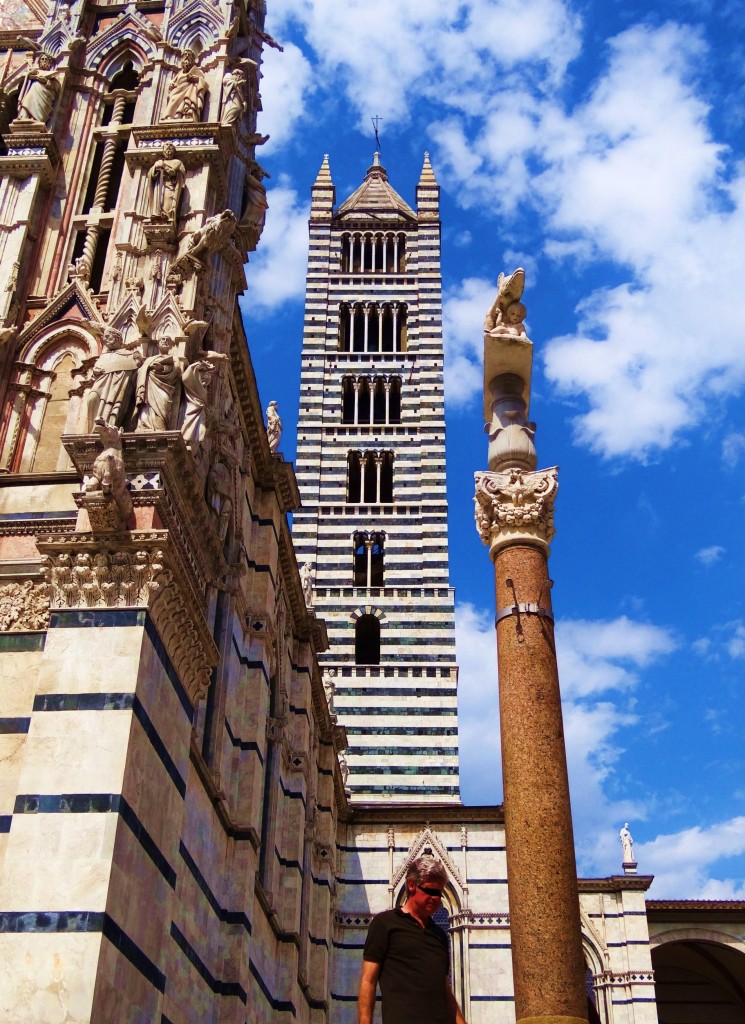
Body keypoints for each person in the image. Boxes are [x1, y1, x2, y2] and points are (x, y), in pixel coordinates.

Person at [358, 856, 466, 1024]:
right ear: (411, 885)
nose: (435, 898)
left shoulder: (439, 936)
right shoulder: (385, 924)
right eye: (430, 891)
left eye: (439, 893)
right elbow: (368, 980)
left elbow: (444, 991)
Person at [162, 49, 208, 123]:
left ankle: (184, 115)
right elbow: (174, 82)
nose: (187, 56)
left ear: (193, 59)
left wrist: (197, 79)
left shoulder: (196, 71)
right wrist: (172, 85)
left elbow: (204, 84)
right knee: (172, 97)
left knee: (188, 97)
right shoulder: (179, 73)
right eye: (185, 54)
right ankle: (170, 116)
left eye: (189, 55)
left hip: (188, 90)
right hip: (177, 91)